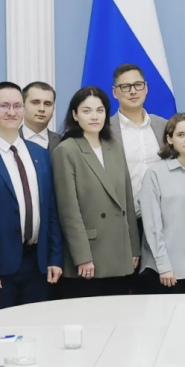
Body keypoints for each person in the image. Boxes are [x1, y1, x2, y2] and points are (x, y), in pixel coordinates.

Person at [0, 82, 63, 315]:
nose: (11, 112)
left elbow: (51, 209)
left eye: (17, 106)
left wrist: (55, 257)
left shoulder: (41, 155)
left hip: (38, 266)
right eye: (4, 106)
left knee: (38, 330)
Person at [52, 87, 140, 298]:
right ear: (75, 115)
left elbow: (127, 201)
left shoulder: (114, 146)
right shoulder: (66, 150)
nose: (94, 116)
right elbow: (68, 211)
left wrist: (133, 248)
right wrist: (82, 256)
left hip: (119, 249)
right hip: (89, 254)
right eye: (87, 111)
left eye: (100, 110)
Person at [139, 113, 185, 294]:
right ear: (169, 139)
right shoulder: (155, 173)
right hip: (167, 270)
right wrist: (163, 265)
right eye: (181, 135)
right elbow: (152, 226)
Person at [109, 63, 167, 294]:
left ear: (146, 88)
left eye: (138, 85)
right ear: (115, 92)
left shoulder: (163, 126)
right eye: (125, 87)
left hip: (162, 223)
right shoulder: (105, 130)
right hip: (123, 224)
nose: (133, 91)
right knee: (127, 295)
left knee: (161, 292)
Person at [19, 81, 61, 153]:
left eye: (47, 104)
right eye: (35, 103)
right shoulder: (8, 140)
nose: (42, 109)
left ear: (53, 109)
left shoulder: (63, 142)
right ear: (22, 106)